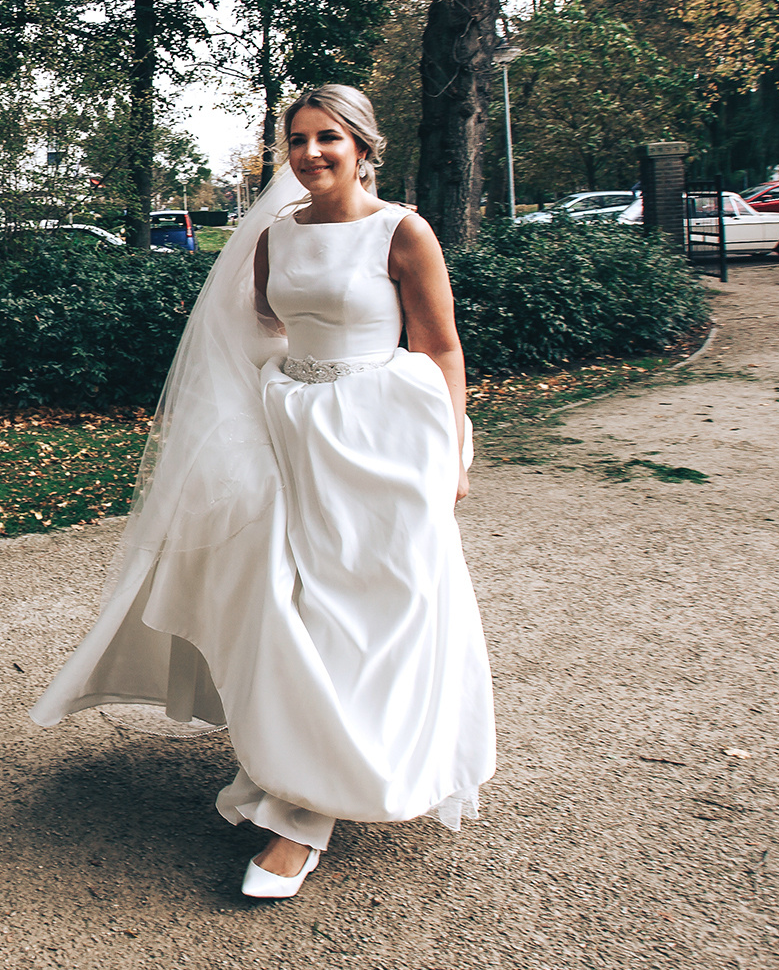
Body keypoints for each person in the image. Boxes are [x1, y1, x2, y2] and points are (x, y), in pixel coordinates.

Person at [31, 84, 495, 899]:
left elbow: (442, 347)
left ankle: (329, 788)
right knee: (288, 609)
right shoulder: (275, 236)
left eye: (328, 138)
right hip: (289, 432)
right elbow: (256, 331)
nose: (310, 153)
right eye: (298, 139)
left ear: (363, 146)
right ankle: (298, 805)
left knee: (378, 611)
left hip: (380, 438)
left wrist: (452, 450)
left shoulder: (402, 231)